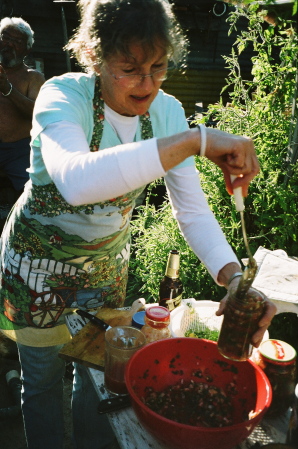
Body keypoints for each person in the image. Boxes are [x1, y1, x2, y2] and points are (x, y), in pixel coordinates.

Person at [0, 1, 276, 448]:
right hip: (35, 269)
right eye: (129, 67)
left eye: (158, 66)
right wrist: (195, 140)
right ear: (94, 56)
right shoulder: (60, 95)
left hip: (105, 269)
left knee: (98, 371)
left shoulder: (166, 111)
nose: (147, 83)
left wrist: (232, 280)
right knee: (43, 379)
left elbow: (192, 211)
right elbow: (76, 179)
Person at [0, 17, 45, 196]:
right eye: (5, 37)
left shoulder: (33, 77)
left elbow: (38, 113)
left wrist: (7, 89)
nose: (9, 44)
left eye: (17, 41)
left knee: (34, 192)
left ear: (27, 49)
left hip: (19, 150)